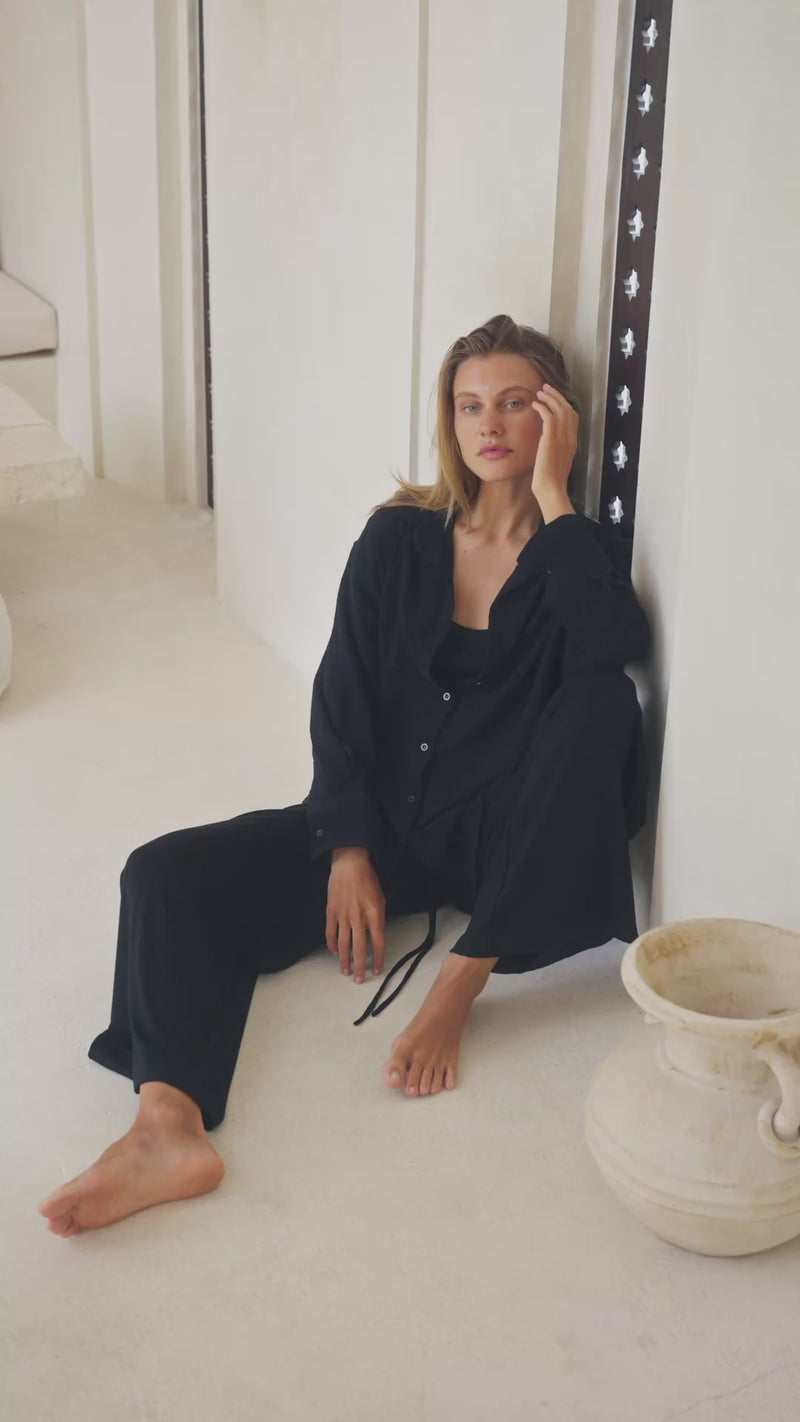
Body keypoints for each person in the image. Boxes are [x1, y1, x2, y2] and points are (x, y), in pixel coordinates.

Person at [38, 314, 651, 1236]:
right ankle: (167, 1124)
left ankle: (462, 980)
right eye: (470, 404)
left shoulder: (581, 556)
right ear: (448, 419)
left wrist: (556, 496)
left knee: (604, 705)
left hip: (500, 844)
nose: (489, 425)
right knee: (163, 871)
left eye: (516, 405)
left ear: (555, 417)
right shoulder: (399, 539)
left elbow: (613, 648)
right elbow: (342, 698)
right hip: (388, 825)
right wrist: (348, 849)